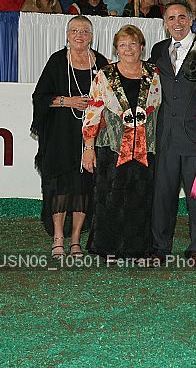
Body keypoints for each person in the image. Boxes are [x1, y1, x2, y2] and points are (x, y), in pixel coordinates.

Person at [82, 25, 161, 259]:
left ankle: (137, 249)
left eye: (133, 44)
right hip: (112, 147)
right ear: (116, 49)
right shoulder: (104, 75)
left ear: (141, 47)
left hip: (146, 148)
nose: (128, 49)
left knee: (142, 197)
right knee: (110, 197)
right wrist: (89, 148)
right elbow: (93, 111)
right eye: (123, 45)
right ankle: (107, 248)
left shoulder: (154, 74)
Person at [32, 16, 109, 256]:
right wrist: (68, 101)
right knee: (60, 186)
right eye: (74, 31)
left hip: (91, 137)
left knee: (84, 187)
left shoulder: (101, 63)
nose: (79, 35)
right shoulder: (57, 61)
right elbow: (40, 97)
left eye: (85, 31)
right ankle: (58, 238)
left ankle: (75, 240)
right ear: (67, 35)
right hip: (60, 135)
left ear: (92, 36)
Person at [149, 2, 196, 266]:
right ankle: (159, 248)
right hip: (165, 135)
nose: (177, 23)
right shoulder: (158, 50)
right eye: (171, 18)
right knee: (162, 196)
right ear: (165, 23)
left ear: (191, 19)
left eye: (182, 17)